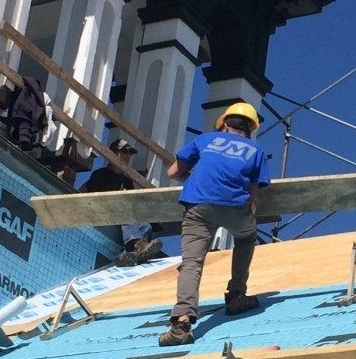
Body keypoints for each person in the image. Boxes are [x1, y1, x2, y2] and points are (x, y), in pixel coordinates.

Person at [158, 101, 271, 345]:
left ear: (224, 125)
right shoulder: (256, 150)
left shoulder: (206, 140)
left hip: (198, 206)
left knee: (192, 263)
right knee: (246, 238)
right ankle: (236, 294)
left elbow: (173, 172)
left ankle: (181, 322)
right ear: (250, 128)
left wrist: (196, 177)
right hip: (235, 208)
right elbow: (254, 191)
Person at [81, 137, 162, 266]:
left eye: (130, 153)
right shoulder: (100, 174)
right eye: (124, 152)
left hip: (119, 215)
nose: (128, 156)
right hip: (100, 211)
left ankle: (132, 251)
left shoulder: (126, 179)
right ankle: (137, 245)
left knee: (138, 212)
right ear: (113, 153)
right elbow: (96, 198)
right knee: (125, 209)